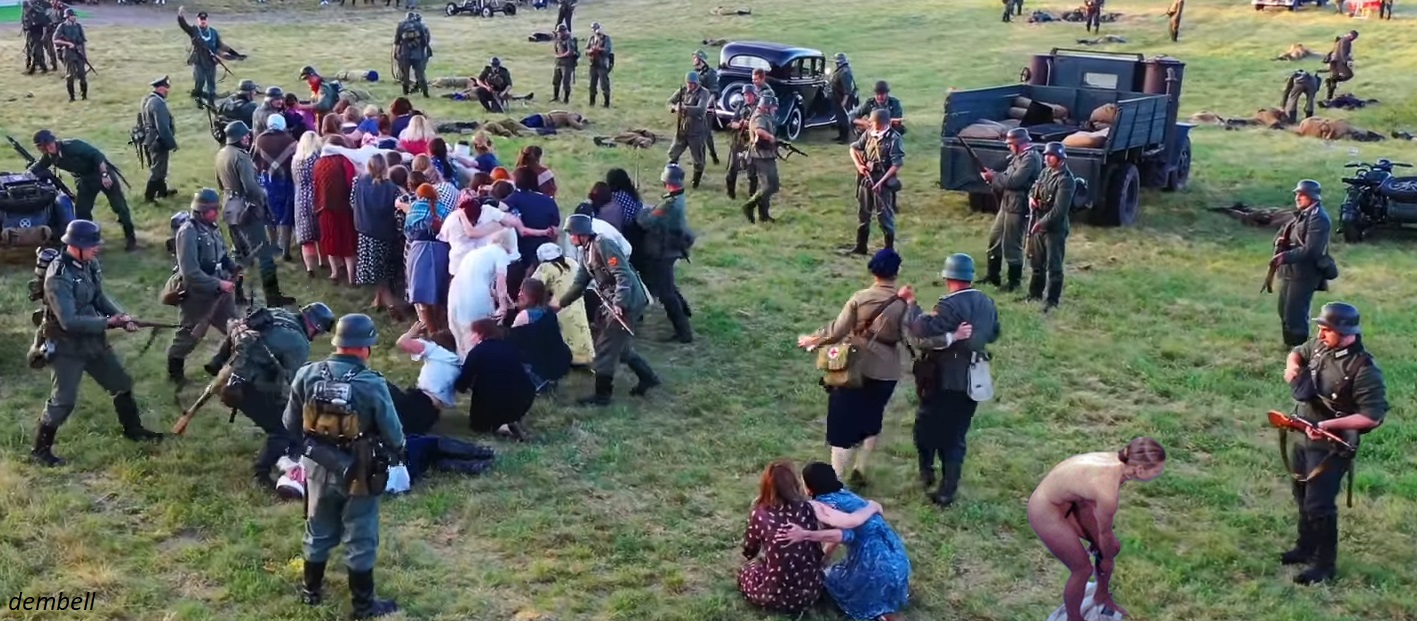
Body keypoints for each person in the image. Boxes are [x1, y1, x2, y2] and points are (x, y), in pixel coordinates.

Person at [284, 314, 404, 618]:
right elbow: (394, 434)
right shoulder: (371, 383)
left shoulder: (307, 374)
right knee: (361, 533)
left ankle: (311, 592)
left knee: (317, 527)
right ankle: (363, 606)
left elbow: (289, 423)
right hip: (360, 471)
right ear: (364, 348)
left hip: (317, 465)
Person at [28, 220, 164, 466]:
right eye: (92, 245)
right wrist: (109, 322)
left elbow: (99, 297)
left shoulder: (89, 263)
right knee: (63, 401)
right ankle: (40, 451)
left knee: (121, 382)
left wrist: (123, 317)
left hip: (93, 341)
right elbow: (69, 321)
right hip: (67, 347)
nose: (97, 248)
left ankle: (133, 430)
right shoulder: (58, 277)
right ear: (77, 245)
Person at [1279, 302, 1387, 585]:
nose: (1320, 333)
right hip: (1303, 434)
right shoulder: (1320, 345)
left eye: (1326, 329)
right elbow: (1297, 352)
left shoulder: (1364, 369)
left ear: (1345, 331)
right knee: (1302, 495)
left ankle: (1324, 565)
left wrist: (1328, 426)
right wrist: (1292, 366)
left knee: (1320, 505)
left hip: (1331, 445)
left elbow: (1371, 416)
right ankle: (1305, 548)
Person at [797, 249, 909, 483]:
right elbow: (913, 336)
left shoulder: (860, 297)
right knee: (872, 417)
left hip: (854, 369)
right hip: (886, 371)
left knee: (842, 425)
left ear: (873, 271)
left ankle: (836, 480)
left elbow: (837, 331)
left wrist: (813, 340)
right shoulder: (903, 304)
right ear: (897, 272)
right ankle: (861, 467)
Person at [1028, 438, 1166, 621]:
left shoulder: (1120, 464)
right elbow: (1104, 533)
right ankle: (1074, 618)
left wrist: (1106, 551)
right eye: (1157, 470)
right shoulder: (1108, 491)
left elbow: (1089, 502)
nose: (1160, 473)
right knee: (1082, 569)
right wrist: (1105, 555)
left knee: (1111, 549)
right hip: (1045, 509)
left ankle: (1101, 595)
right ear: (1140, 470)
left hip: (1075, 501)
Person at [901, 253, 1000, 505]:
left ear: (948, 278)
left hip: (943, 378)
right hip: (974, 377)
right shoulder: (987, 302)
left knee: (925, 428)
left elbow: (920, 330)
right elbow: (994, 334)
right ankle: (948, 489)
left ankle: (927, 473)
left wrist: (913, 305)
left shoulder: (948, 305)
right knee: (956, 435)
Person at [206, 302, 335, 491]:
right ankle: (261, 474)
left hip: (229, 374)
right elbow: (294, 384)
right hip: (243, 388)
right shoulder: (298, 343)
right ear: (315, 326)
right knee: (284, 428)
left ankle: (288, 451)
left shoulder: (278, 314)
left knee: (283, 416)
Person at [738, 459, 884, 615]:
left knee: (746, 571)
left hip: (774, 595)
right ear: (794, 484)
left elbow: (750, 550)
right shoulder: (809, 508)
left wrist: (753, 556)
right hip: (811, 591)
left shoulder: (760, 514)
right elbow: (836, 530)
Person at [777, 463, 911, 621]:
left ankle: (882, 614)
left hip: (876, 568)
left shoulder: (819, 505)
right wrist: (824, 558)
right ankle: (889, 598)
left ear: (810, 488)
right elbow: (843, 534)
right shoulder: (846, 495)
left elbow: (846, 530)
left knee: (835, 583)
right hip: (900, 562)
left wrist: (805, 535)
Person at [552, 214, 660, 405]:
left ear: (581, 233)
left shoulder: (603, 244)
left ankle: (602, 396)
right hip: (614, 302)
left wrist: (619, 303)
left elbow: (623, 274)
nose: (570, 237)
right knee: (621, 348)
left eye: (572, 233)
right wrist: (561, 304)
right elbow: (580, 283)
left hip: (627, 302)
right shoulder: (586, 251)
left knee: (605, 348)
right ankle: (648, 378)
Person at [215, 121, 298, 306]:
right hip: (247, 209)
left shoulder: (221, 153)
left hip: (229, 206)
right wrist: (263, 196)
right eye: (244, 135)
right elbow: (251, 187)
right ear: (237, 137)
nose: (248, 137)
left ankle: (235, 293)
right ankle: (273, 296)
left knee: (239, 254)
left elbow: (220, 183)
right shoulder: (241, 157)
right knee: (264, 254)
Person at [164, 189, 240, 384]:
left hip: (220, 293)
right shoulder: (188, 232)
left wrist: (232, 267)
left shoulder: (212, 227)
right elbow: (190, 272)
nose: (217, 212)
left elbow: (221, 255)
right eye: (213, 209)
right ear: (202, 210)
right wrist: (219, 283)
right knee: (189, 335)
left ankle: (222, 364)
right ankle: (175, 372)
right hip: (197, 295)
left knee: (235, 329)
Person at [29, 130, 138, 251]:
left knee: (119, 206)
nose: (49, 147)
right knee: (82, 211)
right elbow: (36, 168)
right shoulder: (49, 157)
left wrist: (104, 175)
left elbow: (97, 155)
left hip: (101, 174)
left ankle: (131, 238)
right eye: (45, 146)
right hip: (85, 180)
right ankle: (88, 240)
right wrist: (24, 176)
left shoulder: (72, 146)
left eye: (50, 144)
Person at [636, 164, 696, 343]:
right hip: (670, 248)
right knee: (667, 285)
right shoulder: (677, 198)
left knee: (666, 293)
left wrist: (643, 211)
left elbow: (647, 222)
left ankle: (683, 331)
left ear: (666, 180)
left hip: (664, 251)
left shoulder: (669, 203)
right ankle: (684, 311)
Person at [1273, 180, 1333, 347]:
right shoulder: (1301, 215)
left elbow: (1311, 250)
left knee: (1295, 315)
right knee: (1284, 311)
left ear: (1312, 197)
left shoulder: (1319, 219)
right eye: (1297, 194)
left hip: (1305, 273)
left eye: (1302, 195)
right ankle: (1289, 345)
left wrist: (1285, 256)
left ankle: (1299, 349)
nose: (1297, 198)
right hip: (1290, 271)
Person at [981, 128, 1042, 290]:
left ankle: (1014, 283)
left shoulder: (1030, 159)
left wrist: (993, 177)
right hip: (1007, 203)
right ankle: (993, 276)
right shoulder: (1018, 157)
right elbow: (1007, 177)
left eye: (1010, 144)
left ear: (1018, 144)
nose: (1008, 146)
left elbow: (1014, 181)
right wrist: (993, 176)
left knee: (1011, 243)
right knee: (995, 238)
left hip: (1018, 206)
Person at [453, 318, 535, 439]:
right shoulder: (509, 346)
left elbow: (462, 384)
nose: (470, 336)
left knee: (479, 427)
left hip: (493, 400)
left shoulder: (477, 352)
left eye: (473, 333)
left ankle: (501, 426)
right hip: (523, 397)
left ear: (480, 334)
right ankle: (510, 421)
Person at [842, 108, 904, 255]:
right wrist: (859, 166)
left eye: (872, 122)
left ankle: (889, 250)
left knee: (884, 216)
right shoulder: (869, 134)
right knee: (864, 213)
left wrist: (881, 181)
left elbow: (896, 164)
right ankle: (861, 247)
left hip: (882, 179)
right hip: (867, 178)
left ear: (881, 123)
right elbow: (853, 148)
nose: (869, 124)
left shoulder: (894, 138)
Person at [449, 228, 518, 359]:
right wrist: (503, 306)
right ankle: (481, 363)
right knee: (481, 332)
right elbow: (501, 283)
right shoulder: (500, 253)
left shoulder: (475, 253)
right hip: (476, 298)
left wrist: (506, 300)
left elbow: (487, 285)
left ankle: (464, 364)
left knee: (462, 336)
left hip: (455, 294)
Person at [353, 156, 404, 313]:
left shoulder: (359, 182)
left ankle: (384, 302)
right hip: (385, 234)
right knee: (383, 272)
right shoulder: (393, 189)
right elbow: (398, 214)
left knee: (377, 272)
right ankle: (390, 304)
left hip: (365, 232)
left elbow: (352, 202)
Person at [1028, 142, 1075, 311]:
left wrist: (1041, 224)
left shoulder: (1066, 180)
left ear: (1060, 158)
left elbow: (1059, 210)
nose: (1047, 158)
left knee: (1054, 266)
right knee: (1036, 263)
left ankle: (1052, 301)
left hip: (1054, 228)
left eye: (1051, 156)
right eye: (1046, 155)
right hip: (1039, 220)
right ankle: (1034, 295)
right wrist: (1031, 198)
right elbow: (1034, 188)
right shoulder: (1045, 172)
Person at [530, 243, 594, 366]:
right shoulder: (571, 262)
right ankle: (583, 359)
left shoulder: (545, 267)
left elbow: (533, 285)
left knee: (563, 333)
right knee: (580, 330)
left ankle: (565, 360)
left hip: (559, 306)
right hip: (577, 302)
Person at [392, 322, 459, 435]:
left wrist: (412, 333)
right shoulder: (456, 362)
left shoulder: (435, 350)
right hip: (432, 414)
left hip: (420, 400)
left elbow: (401, 343)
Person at [508, 277, 572, 392]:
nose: (518, 294)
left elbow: (510, 342)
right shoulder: (549, 312)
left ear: (529, 295)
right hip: (555, 367)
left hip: (537, 371)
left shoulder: (525, 316)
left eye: (521, 291)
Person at [254, 114, 298, 261]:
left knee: (269, 214)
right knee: (286, 215)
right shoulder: (291, 141)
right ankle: (285, 250)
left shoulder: (259, 139)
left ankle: (273, 245)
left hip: (267, 182)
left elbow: (253, 160)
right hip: (286, 182)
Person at [314, 135, 358, 284]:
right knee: (347, 241)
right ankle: (351, 276)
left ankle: (334, 273)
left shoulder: (319, 163)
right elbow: (351, 182)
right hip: (345, 207)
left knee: (330, 240)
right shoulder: (345, 161)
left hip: (324, 207)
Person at [176, 7, 243, 106]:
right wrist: (180, 16)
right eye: (201, 19)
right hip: (198, 60)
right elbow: (184, 26)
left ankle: (211, 103)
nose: (203, 21)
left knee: (211, 83)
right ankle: (199, 100)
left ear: (207, 20)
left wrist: (235, 54)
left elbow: (220, 45)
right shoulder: (194, 30)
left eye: (204, 19)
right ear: (198, 20)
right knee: (200, 81)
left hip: (211, 61)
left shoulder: (213, 32)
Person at [667, 71, 712, 189]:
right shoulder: (683, 91)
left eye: (692, 84)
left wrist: (685, 108)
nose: (690, 86)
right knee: (673, 154)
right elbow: (670, 102)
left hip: (696, 131)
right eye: (688, 83)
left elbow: (701, 109)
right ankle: (670, 177)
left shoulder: (703, 92)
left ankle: (695, 181)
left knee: (698, 159)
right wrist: (674, 107)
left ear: (697, 83)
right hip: (682, 129)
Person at [140, 75, 181, 203]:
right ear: (162, 88)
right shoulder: (158, 103)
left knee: (161, 168)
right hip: (158, 141)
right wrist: (172, 143)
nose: (168, 91)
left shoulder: (149, 100)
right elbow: (162, 127)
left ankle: (162, 192)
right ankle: (149, 197)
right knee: (158, 170)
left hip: (151, 139)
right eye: (166, 88)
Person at [741, 94, 781, 224]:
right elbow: (759, 131)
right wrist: (771, 137)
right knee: (768, 186)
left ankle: (764, 215)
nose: (774, 109)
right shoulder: (759, 116)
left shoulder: (765, 115)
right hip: (760, 156)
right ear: (766, 107)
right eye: (773, 107)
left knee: (773, 185)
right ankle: (749, 206)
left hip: (767, 154)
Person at [725, 84, 760, 201]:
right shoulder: (740, 106)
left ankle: (752, 196)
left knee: (752, 171)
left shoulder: (759, 108)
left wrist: (750, 124)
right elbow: (732, 123)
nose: (747, 97)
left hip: (752, 142)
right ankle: (730, 194)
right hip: (739, 141)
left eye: (749, 95)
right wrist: (740, 124)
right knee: (733, 168)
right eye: (745, 95)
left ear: (754, 95)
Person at [692, 50, 723, 166]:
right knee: (697, 135)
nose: (693, 59)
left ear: (701, 59)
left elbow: (714, 92)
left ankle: (713, 155)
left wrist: (706, 106)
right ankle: (700, 160)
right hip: (696, 107)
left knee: (706, 134)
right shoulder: (695, 73)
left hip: (707, 108)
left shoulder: (710, 73)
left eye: (695, 57)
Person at [50, 8, 88, 102]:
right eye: (72, 16)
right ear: (67, 17)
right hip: (68, 53)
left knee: (82, 75)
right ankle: (72, 97)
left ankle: (84, 96)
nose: (74, 17)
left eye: (74, 16)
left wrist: (84, 55)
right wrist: (67, 44)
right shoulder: (62, 26)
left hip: (78, 53)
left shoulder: (78, 26)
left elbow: (82, 41)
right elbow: (55, 40)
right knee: (70, 76)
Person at [393, 11, 431, 98]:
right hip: (417, 54)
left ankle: (405, 93)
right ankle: (425, 93)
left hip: (405, 54)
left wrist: (396, 53)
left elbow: (397, 41)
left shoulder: (401, 25)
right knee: (420, 74)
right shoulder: (420, 25)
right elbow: (424, 41)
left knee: (405, 74)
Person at [829, 53, 857, 144]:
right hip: (838, 97)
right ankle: (840, 136)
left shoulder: (845, 73)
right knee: (839, 117)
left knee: (843, 118)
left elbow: (847, 89)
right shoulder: (841, 70)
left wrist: (844, 101)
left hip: (843, 98)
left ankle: (845, 138)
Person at [1323, 31, 1357, 101]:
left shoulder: (1340, 40)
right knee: (1349, 75)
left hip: (1333, 61)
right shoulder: (1346, 41)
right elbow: (1342, 52)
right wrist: (1346, 61)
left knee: (1334, 80)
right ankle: (1332, 80)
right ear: (1351, 35)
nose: (1353, 39)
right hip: (1339, 61)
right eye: (1354, 37)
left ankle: (1329, 98)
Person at [21, 0, 52, 74]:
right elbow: (26, 23)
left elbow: (45, 25)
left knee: (35, 52)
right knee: (34, 52)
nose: (26, 10)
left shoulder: (38, 12)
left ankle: (33, 69)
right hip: (31, 35)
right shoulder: (27, 13)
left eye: (27, 8)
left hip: (39, 35)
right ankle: (43, 67)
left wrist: (43, 36)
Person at [586, 22, 613, 107]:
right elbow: (586, 50)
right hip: (593, 63)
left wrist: (598, 49)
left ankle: (606, 103)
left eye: (596, 28)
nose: (595, 30)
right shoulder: (591, 38)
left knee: (604, 84)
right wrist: (591, 51)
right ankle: (592, 102)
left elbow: (607, 50)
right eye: (593, 28)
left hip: (602, 64)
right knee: (592, 84)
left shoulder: (606, 38)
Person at [551, 24, 579, 104]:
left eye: (560, 32)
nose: (559, 33)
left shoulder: (569, 40)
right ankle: (556, 97)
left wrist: (560, 56)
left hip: (567, 64)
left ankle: (566, 99)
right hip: (558, 63)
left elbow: (570, 52)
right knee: (556, 81)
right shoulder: (558, 39)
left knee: (566, 82)